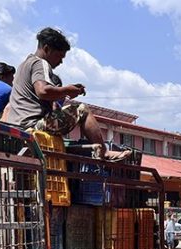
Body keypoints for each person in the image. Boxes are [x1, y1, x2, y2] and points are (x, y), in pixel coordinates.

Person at [8, 27, 130, 162]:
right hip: (32, 125)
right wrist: (68, 90)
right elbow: (43, 91)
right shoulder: (40, 63)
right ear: (47, 49)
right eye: (59, 56)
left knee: (65, 114)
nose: (60, 62)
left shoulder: (23, 65)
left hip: (18, 127)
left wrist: (61, 95)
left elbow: (44, 99)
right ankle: (104, 151)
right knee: (82, 110)